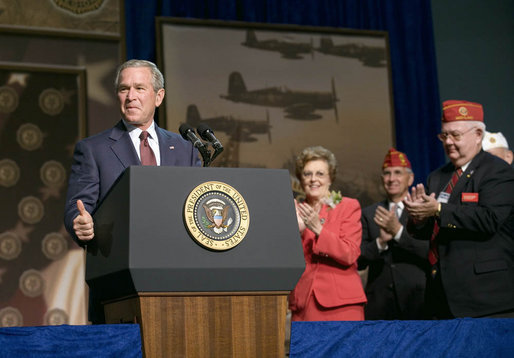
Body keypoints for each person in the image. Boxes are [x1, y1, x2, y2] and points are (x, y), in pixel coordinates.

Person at [64, 59, 201, 245]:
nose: (130, 96)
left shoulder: (185, 149)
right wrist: (79, 223)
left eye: (139, 88)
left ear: (159, 97)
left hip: (177, 257)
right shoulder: (92, 149)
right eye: (123, 89)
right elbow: (78, 207)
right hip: (118, 257)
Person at [403, 99, 514, 318]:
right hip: (442, 296)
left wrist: (438, 210)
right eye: (444, 136)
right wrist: (418, 217)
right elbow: (428, 232)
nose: (449, 142)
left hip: (487, 298)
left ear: (478, 135)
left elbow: (490, 219)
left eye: (456, 135)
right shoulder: (437, 176)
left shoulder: (497, 171)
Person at [288, 146, 367, 321]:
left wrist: (318, 229)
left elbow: (350, 254)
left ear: (330, 178)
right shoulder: (293, 211)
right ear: (301, 179)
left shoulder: (347, 206)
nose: (313, 179)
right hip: (303, 303)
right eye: (307, 174)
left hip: (341, 305)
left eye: (320, 174)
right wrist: (294, 233)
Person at [358, 148, 428, 320]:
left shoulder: (423, 210)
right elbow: (358, 261)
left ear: (410, 178)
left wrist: (398, 232)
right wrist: (380, 242)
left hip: (418, 300)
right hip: (379, 304)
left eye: (398, 173)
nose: (391, 179)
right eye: (387, 174)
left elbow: (429, 251)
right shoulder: (368, 213)